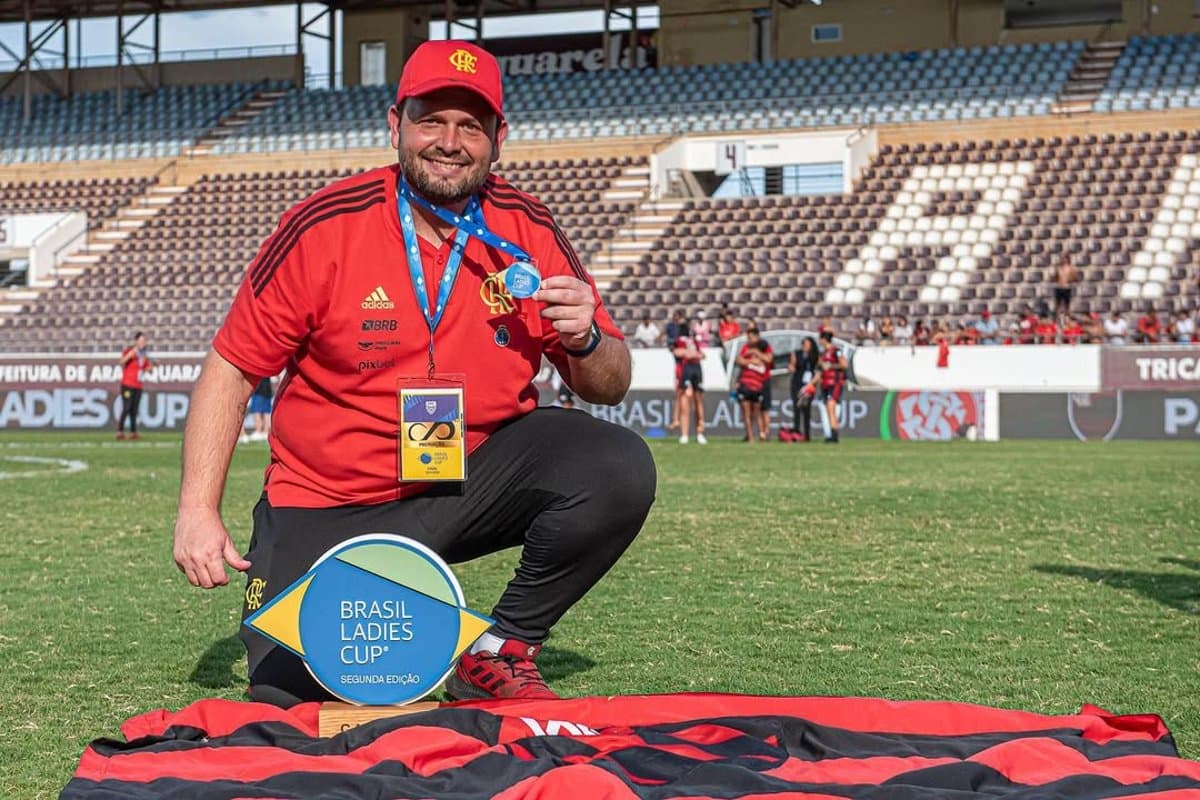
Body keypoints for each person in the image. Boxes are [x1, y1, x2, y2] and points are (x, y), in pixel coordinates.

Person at [171, 40, 656, 707]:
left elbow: (611, 383)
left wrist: (588, 337)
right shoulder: (324, 225)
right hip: (330, 501)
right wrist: (197, 511)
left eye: (470, 126)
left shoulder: (527, 225)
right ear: (396, 124)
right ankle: (387, 606)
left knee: (614, 464)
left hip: (463, 486)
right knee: (298, 696)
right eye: (432, 120)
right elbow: (231, 368)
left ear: (498, 138)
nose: (450, 141)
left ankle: (500, 651)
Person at [672, 323, 707, 444]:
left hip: (695, 371)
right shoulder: (680, 341)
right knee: (684, 405)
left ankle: (699, 433)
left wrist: (693, 354)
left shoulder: (694, 341)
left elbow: (702, 354)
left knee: (698, 403)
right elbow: (677, 352)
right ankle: (684, 434)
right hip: (684, 373)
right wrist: (690, 353)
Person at [734, 330, 771, 442]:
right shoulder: (745, 349)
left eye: (751, 338)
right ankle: (750, 436)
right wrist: (750, 362)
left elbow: (768, 359)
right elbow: (739, 360)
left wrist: (754, 355)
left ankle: (761, 434)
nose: (748, 340)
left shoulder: (764, 348)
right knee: (747, 412)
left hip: (759, 384)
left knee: (757, 412)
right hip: (746, 383)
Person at [783, 336, 820, 442]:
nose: (805, 346)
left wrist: (812, 383)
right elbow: (792, 365)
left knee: (806, 409)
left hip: (809, 384)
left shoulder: (815, 356)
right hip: (797, 383)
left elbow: (818, 370)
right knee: (797, 408)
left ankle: (807, 435)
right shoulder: (797, 354)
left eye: (807, 344)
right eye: (804, 344)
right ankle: (796, 432)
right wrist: (791, 366)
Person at [116, 331, 152, 440]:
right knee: (126, 408)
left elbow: (146, 368)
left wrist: (150, 368)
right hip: (127, 384)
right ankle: (120, 431)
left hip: (138, 385)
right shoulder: (129, 351)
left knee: (134, 410)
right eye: (141, 340)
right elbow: (121, 362)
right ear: (136, 341)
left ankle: (133, 432)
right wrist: (129, 355)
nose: (143, 343)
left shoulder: (144, 355)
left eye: (144, 341)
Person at [816, 331, 847, 444]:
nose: (819, 341)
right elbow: (820, 366)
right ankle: (831, 434)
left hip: (835, 383)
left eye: (820, 339)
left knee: (831, 406)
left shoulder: (836, 351)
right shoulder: (823, 353)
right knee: (829, 409)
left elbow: (844, 365)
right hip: (825, 383)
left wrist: (831, 366)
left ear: (824, 339)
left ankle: (834, 435)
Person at [241, 376, 274, 443]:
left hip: (259, 390)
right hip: (268, 390)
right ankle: (265, 432)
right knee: (266, 412)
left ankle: (258, 431)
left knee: (257, 411)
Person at [1052, 254, 1079, 318]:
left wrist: (1071, 279)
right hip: (1059, 287)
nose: (1063, 260)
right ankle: (1057, 319)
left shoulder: (1071, 268)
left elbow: (1076, 278)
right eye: (1062, 258)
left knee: (1067, 306)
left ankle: (1068, 319)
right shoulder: (1058, 268)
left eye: (1064, 258)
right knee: (1058, 306)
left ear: (1067, 259)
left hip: (1066, 287)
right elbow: (1055, 277)